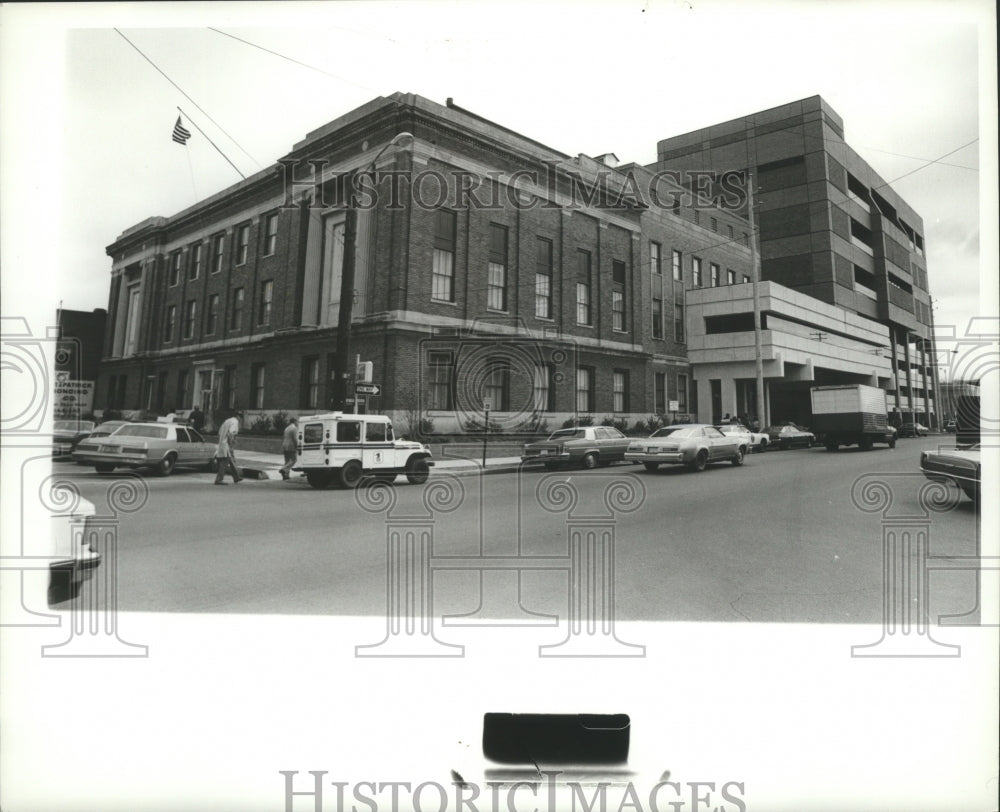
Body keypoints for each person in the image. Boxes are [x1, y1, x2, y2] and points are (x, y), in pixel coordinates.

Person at [214, 410, 242, 485]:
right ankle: (219, 480)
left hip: (222, 443)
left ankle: (236, 477)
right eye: (240, 417)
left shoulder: (227, 421)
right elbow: (231, 433)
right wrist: (231, 444)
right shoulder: (235, 422)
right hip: (226, 444)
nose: (241, 419)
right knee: (225, 461)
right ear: (238, 417)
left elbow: (219, 433)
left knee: (230, 460)